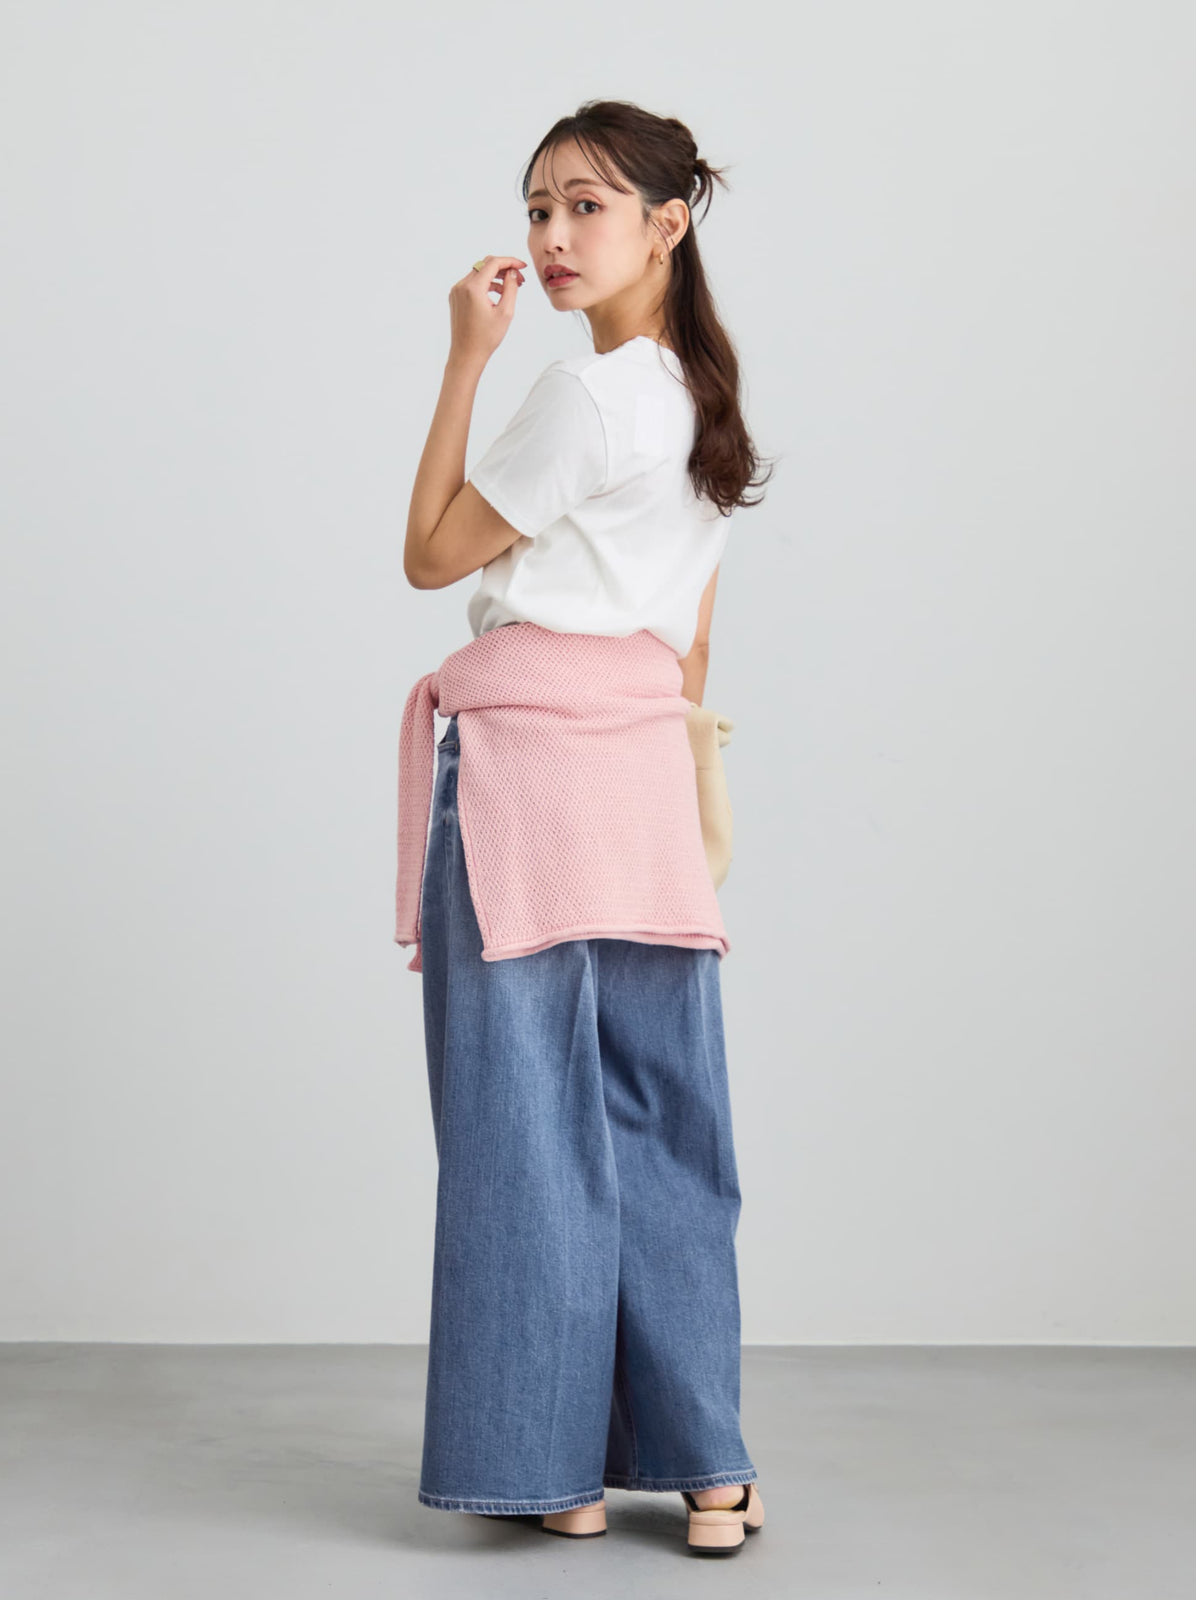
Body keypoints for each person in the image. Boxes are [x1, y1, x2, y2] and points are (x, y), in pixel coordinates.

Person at [398, 99, 774, 1557]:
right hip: (641, 772)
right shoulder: (707, 399)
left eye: (587, 207)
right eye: (539, 207)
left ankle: (549, 1466)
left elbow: (432, 555)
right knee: (665, 1122)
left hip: (528, 775)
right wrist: (681, 785)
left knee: (525, 1130)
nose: (552, 236)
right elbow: (693, 643)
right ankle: (710, 1468)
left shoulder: (588, 393)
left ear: (666, 225)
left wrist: (466, 356)